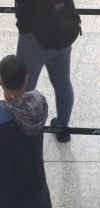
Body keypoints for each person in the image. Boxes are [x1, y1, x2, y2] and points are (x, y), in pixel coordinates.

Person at [0, 54, 64, 208]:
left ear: (1, 81)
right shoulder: (38, 103)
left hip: (7, 195)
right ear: (26, 78)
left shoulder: (2, 115)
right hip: (36, 186)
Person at [15, 0, 79, 142]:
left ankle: (24, 130)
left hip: (32, 38)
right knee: (63, 83)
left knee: (24, 87)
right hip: (62, 30)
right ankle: (63, 127)